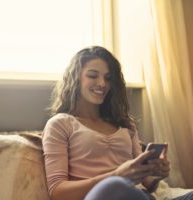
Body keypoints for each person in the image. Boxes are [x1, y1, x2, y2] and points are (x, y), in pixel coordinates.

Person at [42, 46, 193, 200]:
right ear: (76, 79)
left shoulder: (126, 125)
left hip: (141, 196)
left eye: (108, 78)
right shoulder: (60, 124)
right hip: (105, 194)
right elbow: (57, 192)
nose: (102, 83)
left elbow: (147, 183)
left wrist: (154, 173)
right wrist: (117, 175)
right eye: (93, 75)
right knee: (115, 185)